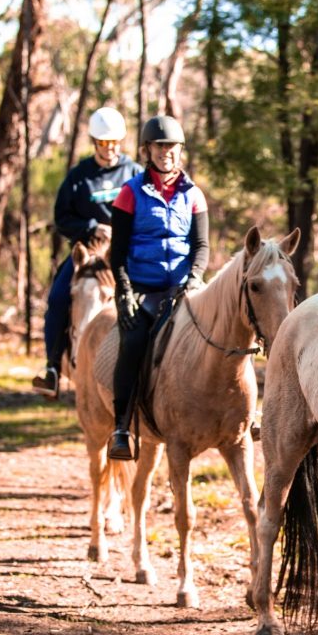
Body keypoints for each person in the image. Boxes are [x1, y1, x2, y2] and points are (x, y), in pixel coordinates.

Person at [106, 115, 209, 460]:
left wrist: (194, 277)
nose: (166, 152)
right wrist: (123, 290)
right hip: (143, 290)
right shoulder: (129, 193)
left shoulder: (193, 194)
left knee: (222, 333)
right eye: (160, 146)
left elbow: (202, 246)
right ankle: (121, 428)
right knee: (133, 343)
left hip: (183, 288)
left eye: (172, 146)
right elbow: (117, 251)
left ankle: (237, 412)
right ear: (147, 150)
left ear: (180, 150)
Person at [32, 107, 142, 397]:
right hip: (88, 253)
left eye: (115, 143)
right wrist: (93, 227)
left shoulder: (134, 173)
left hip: (125, 253)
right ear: (94, 142)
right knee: (57, 299)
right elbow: (62, 218)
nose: (110, 149)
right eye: (104, 143)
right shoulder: (79, 177)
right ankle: (53, 368)